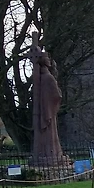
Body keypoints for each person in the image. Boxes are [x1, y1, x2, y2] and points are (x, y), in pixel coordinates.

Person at [30, 31, 67, 166]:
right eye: (47, 59)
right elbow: (57, 95)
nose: (49, 61)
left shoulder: (41, 78)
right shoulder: (48, 78)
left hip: (45, 111)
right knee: (50, 135)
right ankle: (50, 154)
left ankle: (45, 153)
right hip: (47, 112)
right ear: (44, 62)